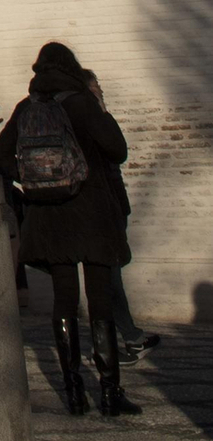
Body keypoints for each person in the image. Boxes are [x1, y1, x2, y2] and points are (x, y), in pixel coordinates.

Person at [0, 41, 137, 418]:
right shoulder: (82, 103)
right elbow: (118, 150)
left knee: (64, 301)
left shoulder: (27, 108)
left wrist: (29, 180)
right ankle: (109, 392)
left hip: (50, 216)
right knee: (101, 303)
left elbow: (1, 156)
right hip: (91, 213)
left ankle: (74, 393)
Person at [83, 72, 159, 366]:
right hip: (102, 210)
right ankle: (123, 341)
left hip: (112, 208)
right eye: (94, 87)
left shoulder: (94, 119)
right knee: (107, 277)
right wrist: (101, 112)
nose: (100, 90)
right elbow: (116, 151)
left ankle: (124, 338)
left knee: (109, 277)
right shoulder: (91, 121)